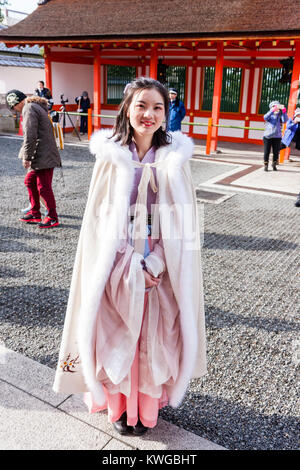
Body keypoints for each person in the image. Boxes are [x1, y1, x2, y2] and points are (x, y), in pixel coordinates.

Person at [53, 77, 207, 436]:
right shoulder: (111, 158)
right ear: (127, 109)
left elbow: (183, 226)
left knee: (152, 336)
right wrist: (126, 261)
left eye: (157, 107)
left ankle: (145, 409)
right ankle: (121, 407)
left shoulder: (174, 160)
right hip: (116, 259)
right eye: (141, 105)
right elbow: (98, 222)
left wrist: (155, 263)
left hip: (161, 259)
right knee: (117, 326)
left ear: (166, 113)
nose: (149, 114)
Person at [6, 89, 61, 228]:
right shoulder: (35, 106)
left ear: (17, 102)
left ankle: (52, 217)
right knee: (30, 181)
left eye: (13, 107)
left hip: (42, 154)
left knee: (44, 187)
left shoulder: (29, 108)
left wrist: (27, 157)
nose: (14, 110)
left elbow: (30, 135)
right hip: (44, 152)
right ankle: (35, 213)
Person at [263, 100, 288, 171]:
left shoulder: (280, 114)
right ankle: (266, 165)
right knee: (266, 151)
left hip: (277, 136)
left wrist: (284, 112)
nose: (276, 108)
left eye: (277, 106)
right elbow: (265, 117)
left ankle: (274, 164)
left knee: (276, 152)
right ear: (271, 107)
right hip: (268, 136)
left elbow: (285, 120)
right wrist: (272, 111)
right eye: (274, 106)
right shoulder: (269, 114)